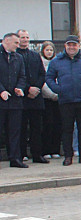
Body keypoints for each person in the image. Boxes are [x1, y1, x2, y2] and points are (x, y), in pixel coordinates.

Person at [45, 35, 81, 165]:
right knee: (67, 129)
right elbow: (49, 78)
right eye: (69, 45)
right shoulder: (57, 61)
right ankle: (68, 156)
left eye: (74, 45)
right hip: (66, 101)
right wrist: (57, 89)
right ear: (65, 46)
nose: (71, 47)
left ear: (79, 46)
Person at [16, 30, 47, 163]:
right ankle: (22, 154)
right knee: (21, 128)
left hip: (36, 98)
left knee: (36, 128)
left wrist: (37, 88)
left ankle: (37, 154)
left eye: (27, 37)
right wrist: (28, 89)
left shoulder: (35, 55)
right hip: (21, 97)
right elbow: (17, 76)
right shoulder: (15, 55)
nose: (25, 40)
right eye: (22, 37)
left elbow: (42, 74)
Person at [0, 32, 28, 167]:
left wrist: (19, 87)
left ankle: (15, 158)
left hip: (15, 100)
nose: (18, 45)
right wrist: (1, 91)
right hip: (1, 99)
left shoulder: (18, 58)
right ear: (6, 41)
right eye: (16, 43)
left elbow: (23, 76)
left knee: (15, 131)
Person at [38, 41, 62, 159]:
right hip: (46, 98)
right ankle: (45, 150)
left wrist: (57, 93)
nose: (49, 52)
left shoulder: (57, 63)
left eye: (51, 50)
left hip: (57, 98)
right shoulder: (40, 63)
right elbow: (43, 81)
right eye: (47, 50)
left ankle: (55, 149)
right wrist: (50, 94)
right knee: (48, 124)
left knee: (58, 124)